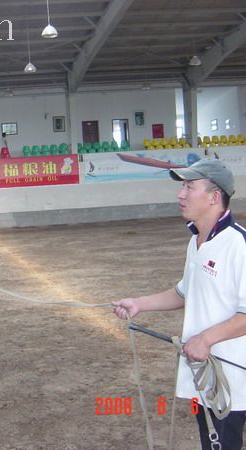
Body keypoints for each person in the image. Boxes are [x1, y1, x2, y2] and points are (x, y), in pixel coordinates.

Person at [112, 159, 246, 449]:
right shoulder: (196, 242)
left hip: (232, 380)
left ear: (213, 196)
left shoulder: (239, 246)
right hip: (204, 376)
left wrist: (206, 339)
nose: (180, 194)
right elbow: (184, 293)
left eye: (189, 186)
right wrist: (139, 303)